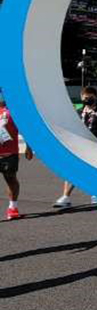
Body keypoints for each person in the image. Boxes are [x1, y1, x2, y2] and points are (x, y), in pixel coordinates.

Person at [54, 86, 97, 208]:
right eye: (85, 98)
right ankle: (65, 196)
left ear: (96, 97)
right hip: (80, 147)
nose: (87, 100)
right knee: (72, 170)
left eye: (90, 97)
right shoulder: (78, 112)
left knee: (96, 171)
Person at [0, 90, 33, 221]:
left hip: (9, 154)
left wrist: (28, 147)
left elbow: (26, 130)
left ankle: (13, 207)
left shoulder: (14, 112)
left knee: (11, 180)